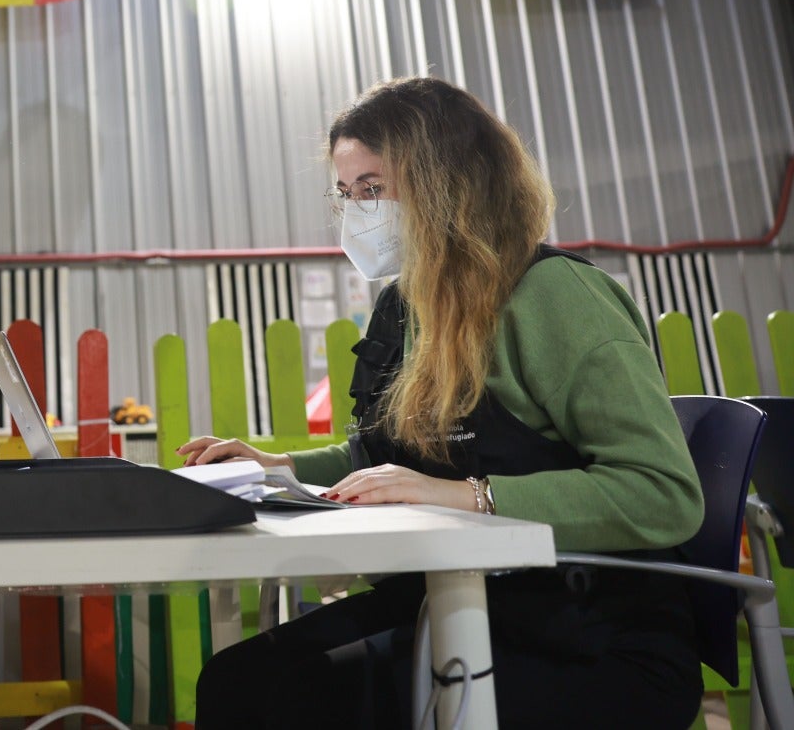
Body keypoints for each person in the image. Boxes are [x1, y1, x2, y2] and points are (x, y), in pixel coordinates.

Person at [179, 76, 705, 730]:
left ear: (445, 181)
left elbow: (663, 494)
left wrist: (470, 495)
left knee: (293, 702)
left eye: (373, 190)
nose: (356, 212)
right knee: (239, 682)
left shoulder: (554, 298)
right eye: (346, 194)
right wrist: (274, 466)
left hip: (593, 638)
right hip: (454, 603)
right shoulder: (405, 308)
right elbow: (380, 456)